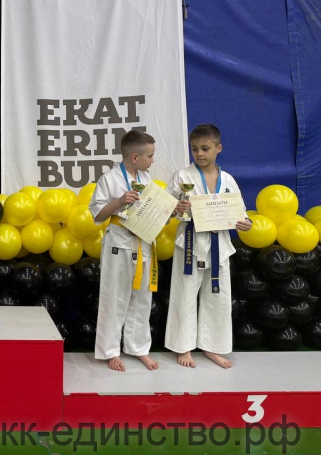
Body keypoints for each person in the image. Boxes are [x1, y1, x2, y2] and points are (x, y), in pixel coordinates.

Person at [165, 124, 252, 369]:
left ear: (218, 148)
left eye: (205, 148)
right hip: (189, 243)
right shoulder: (182, 176)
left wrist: (246, 223)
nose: (199, 154)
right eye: (194, 149)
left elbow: (241, 211)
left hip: (219, 245)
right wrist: (176, 207)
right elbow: (164, 208)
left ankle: (212, 347)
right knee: (184, 294)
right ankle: (183, 346)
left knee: (218, 297)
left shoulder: (228, 180)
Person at [89, 130, 159, 372]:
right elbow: (98, 215)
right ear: (135, 157)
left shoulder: (146, 178)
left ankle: (139, 348)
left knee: (142, 298)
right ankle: (110, 351)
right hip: (119, 242)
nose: (152, 161)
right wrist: (119, 201)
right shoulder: (108, 179)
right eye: (150, 156)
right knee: (114, 297)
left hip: (143, 241)